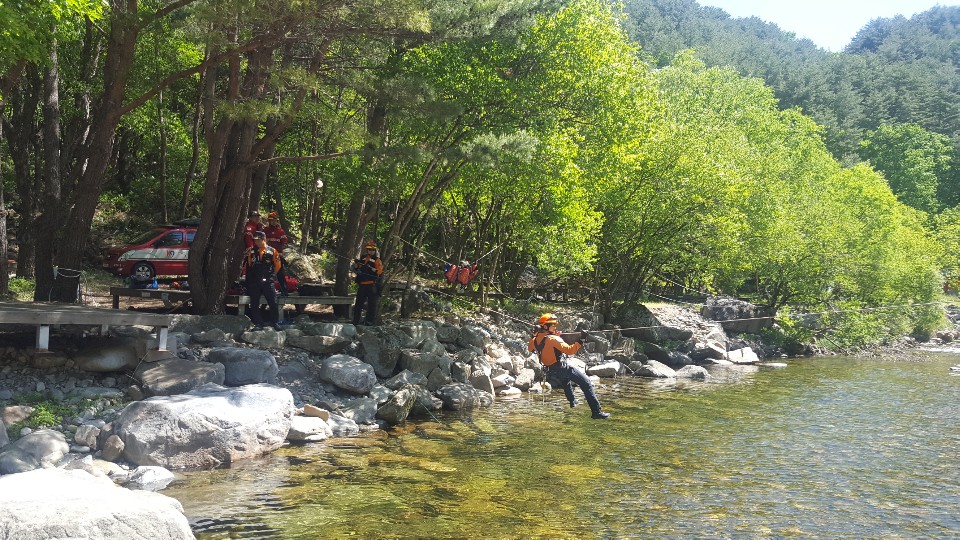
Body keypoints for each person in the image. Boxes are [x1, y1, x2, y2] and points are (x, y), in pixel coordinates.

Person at [528, 312, 609, 419]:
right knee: (586, 383)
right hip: (562, 367)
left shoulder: (535, 340)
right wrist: (581, 340)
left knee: (565, 380)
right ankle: (596, 412)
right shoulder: (553, 339)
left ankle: (572, 401)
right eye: (553, 325)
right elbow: (570, 351)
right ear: (546, 326)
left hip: (551, 370)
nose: (555, 327)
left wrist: (534, 335)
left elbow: (530, 348)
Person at [243, 231, 282, 330]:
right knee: (254, 303)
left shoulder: (272, 251)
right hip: (255, 281)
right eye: (255, 240)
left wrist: (272, 276)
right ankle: (258, 323)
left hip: (268, 281)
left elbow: (278, 265)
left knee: (273, 302)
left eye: (258, 240)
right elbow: (249, 265)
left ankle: (274, 322)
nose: (256, 242)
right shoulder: (252, 251)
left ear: (264, 239)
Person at [352, 240, 384, 326]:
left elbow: (380, 271)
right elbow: (358, 269)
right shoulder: (363, 258)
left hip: (371, 285)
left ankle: (369, 321)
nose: (371, 251)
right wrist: (356, 266)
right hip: (362, 284)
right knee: (358, 304)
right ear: (367, 250)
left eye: (373, 250)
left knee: (371, 304)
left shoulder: (377, 260)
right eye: (370, 249)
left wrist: (374, 270)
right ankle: (355, 321)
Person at [264, 212, 290, 296]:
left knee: (280, 274)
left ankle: (284, 291)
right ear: (269, 221)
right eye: (272, 220)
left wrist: (282, 252)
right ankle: (266, 291)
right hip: (267, 255)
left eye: (275, 220)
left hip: (278, 256)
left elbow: (285, 243)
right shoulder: (265, 230)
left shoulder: (280, 231)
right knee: (267, 273)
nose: (274, 222)